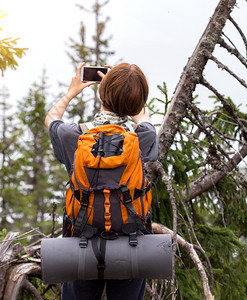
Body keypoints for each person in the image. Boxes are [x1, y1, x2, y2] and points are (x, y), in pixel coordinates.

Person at [45, 62, 160, 300]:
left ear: (100, 92)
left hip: (81, 242)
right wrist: (130, 93)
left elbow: (51, 119)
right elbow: (144, 117)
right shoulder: (143, 136)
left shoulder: (73, 135)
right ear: (139, 101)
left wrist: (71, 92)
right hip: (132, 243)